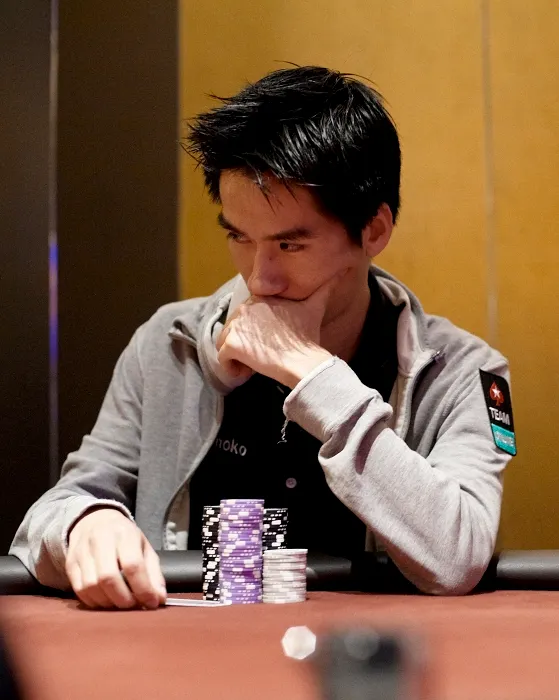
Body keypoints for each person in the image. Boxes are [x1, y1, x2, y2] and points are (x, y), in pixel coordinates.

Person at [10, 66, 516, 609]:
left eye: (289, 245)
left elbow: (459, 556)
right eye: (240, 237)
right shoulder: (168, 343)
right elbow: (56, 510)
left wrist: (313, 374)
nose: (259, 278)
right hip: (187, 652)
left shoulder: (468, 372)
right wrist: (85, 523)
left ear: (374, 230)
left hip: (364, 654)